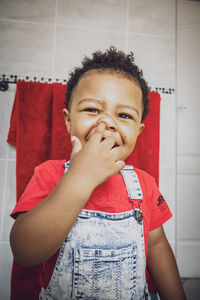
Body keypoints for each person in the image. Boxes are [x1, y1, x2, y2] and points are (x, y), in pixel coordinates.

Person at [10, 47, 186, 300]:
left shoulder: (144, 184)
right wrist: (81, 177)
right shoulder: (49, 174)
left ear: (138, 131)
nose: (107, 123)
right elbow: (25, 252)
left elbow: (157, 245)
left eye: (124, 115)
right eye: (92, 110)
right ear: (69, 120)